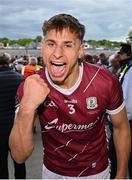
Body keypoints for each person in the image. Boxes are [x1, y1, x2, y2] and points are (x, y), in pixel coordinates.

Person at [9, 14, 131, 179]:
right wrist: (27, 108)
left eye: (67, 45)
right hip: (53, 172)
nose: (57, 53)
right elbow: (18, 156)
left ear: (80, 50)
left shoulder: (104, 81)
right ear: (42, 47)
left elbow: (121, 127)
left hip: (97, 171)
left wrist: (122, 174)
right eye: (51, 44)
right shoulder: (31, 85)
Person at [0, 52, 26, 179]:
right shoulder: (19, 78)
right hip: (16, 124)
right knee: (19, 160)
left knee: (1, 162)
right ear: (9, 62)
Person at [109, 43, 132, 179]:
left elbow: (127, 102)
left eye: (121, 54)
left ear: (128, 54)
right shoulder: (126, 68)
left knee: (118, 158)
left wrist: (116, 118)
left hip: (126, 122)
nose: (119, 56)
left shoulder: (130, 70)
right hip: (125, 120)